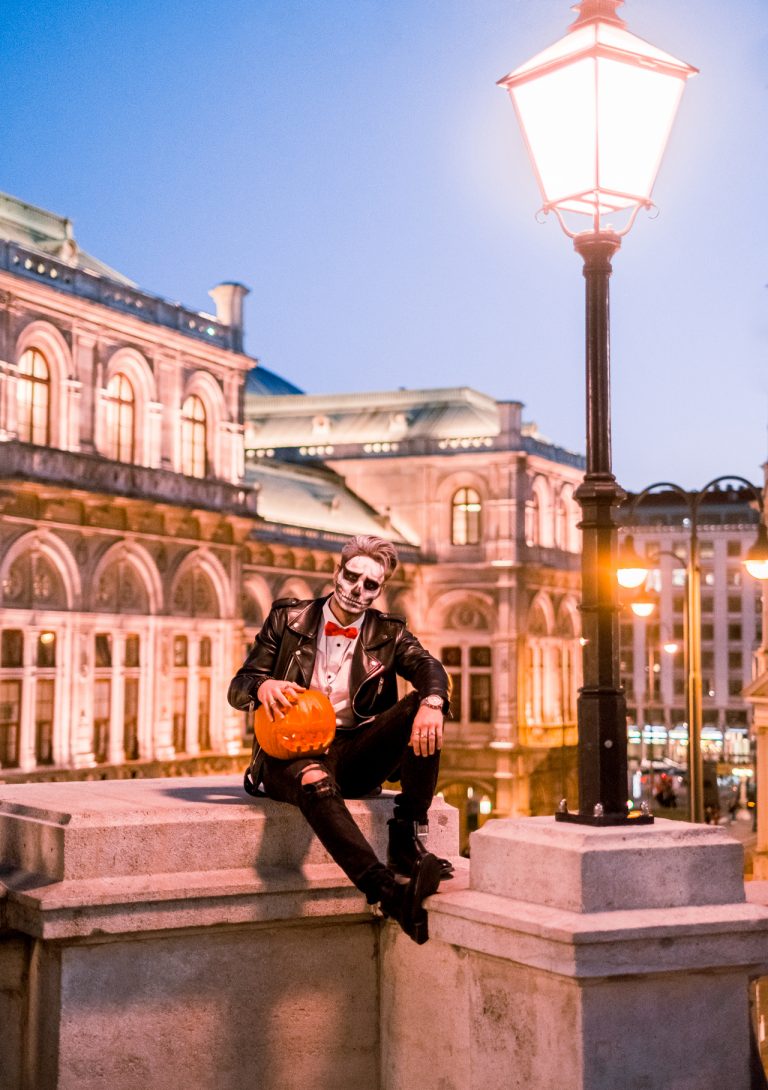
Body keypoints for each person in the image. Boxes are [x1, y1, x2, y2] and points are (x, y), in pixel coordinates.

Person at [228, 534, 453, 945]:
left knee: (423, 710)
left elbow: (428, 666)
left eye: (370, 585)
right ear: (337, 572)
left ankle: (406, 837)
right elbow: (239, 685)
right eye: (351, 577)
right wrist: (261, 687)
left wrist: (433, 702)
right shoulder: (288, 618)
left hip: (353, 753)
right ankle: (388, 893)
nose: (357, 590)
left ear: (380, 590)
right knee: (315, 781)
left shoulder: (389, 632)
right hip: (289, 753)